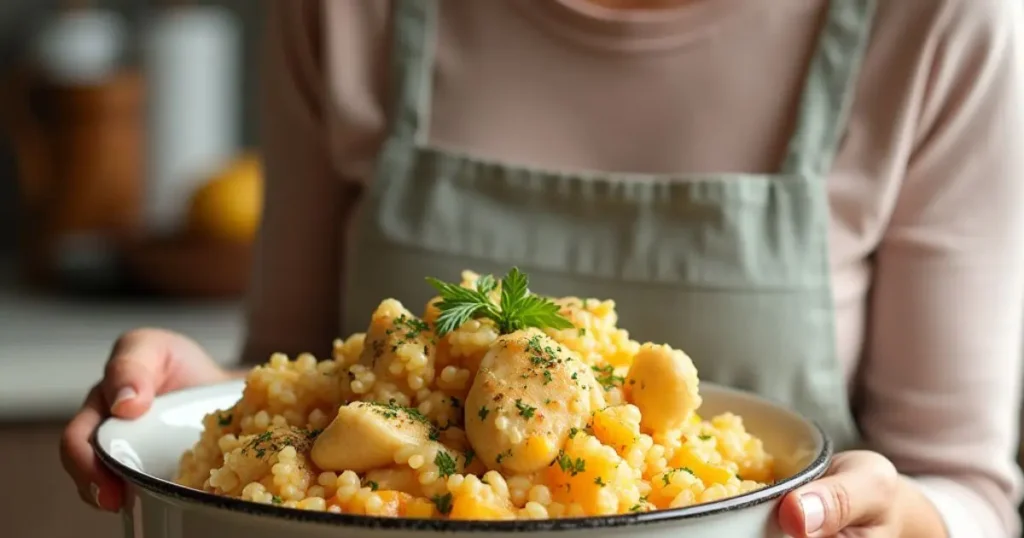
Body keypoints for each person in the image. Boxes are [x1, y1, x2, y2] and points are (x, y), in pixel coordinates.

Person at [59, 0, 1024, 536]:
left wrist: (911, 522)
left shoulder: (945, 22)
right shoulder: (342, 12)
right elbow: (289, 366)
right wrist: (211, 407)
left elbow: (971, 487)